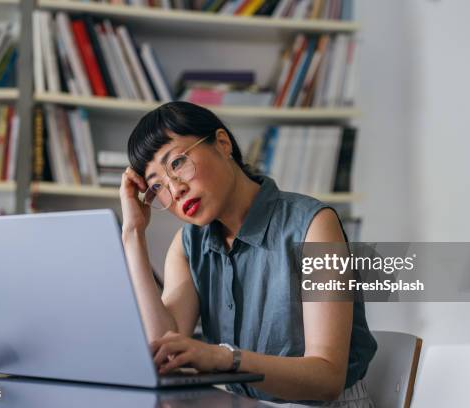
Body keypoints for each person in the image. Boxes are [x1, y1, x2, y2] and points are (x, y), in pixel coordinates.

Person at [120, 101, 377, 407]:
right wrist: (133, 235)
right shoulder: (188, 244)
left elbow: (327, 380)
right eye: (157, 186)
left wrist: (225, 358)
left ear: (223, 144)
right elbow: (164, 347)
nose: (174, 190)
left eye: (177, 163)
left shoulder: (313, 226)